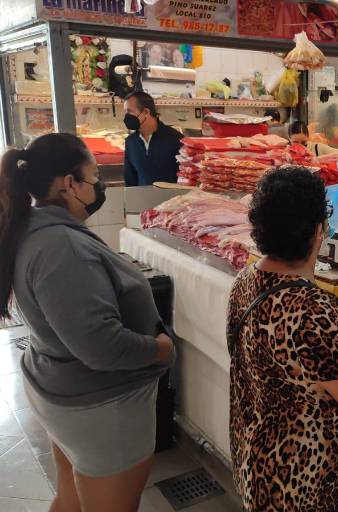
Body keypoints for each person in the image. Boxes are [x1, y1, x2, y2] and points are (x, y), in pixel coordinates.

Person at [0, 133, 176, 511]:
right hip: (100, 409)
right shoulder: (62, 249)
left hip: (68, 392)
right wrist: (161, 350)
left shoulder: (38, 229)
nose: (99, 186)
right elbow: (101, 346)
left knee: (71, 500)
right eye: (94, 177)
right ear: (69, 184)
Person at [227, 167, 338, 512]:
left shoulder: (243, 282)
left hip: (258, 466)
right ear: (319, 229)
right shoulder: (313, 311)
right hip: (308, 488)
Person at [123, 91, 184, 186]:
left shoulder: (175, 139)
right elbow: (130, 179)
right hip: (142, 199)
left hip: (172, 199)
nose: (126, 117)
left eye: (129, 112)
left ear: (146, 112)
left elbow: (186, 177)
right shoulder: (130, 142)